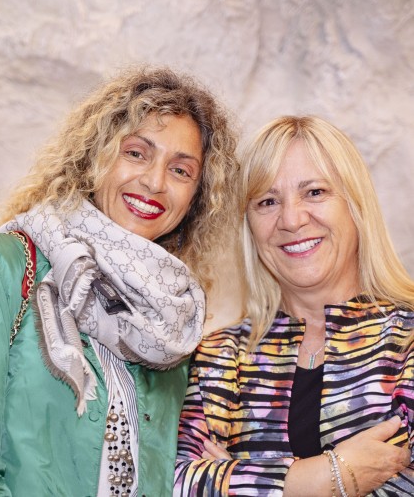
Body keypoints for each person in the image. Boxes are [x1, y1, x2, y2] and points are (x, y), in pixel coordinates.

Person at [0, 66, 239, 496]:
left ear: (196, 198)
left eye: (181, 171)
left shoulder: (172, 329)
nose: (155, 181)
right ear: (94, 155)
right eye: (136, 153)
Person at [175, 115, 414, 496]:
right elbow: (175, 483)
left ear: (355, 205)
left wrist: (234, 478)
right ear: (249, 225)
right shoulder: (219, 356)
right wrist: (327, 477)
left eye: (315, 192)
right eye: (267, 202)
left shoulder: (407, 339)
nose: (291, 219)